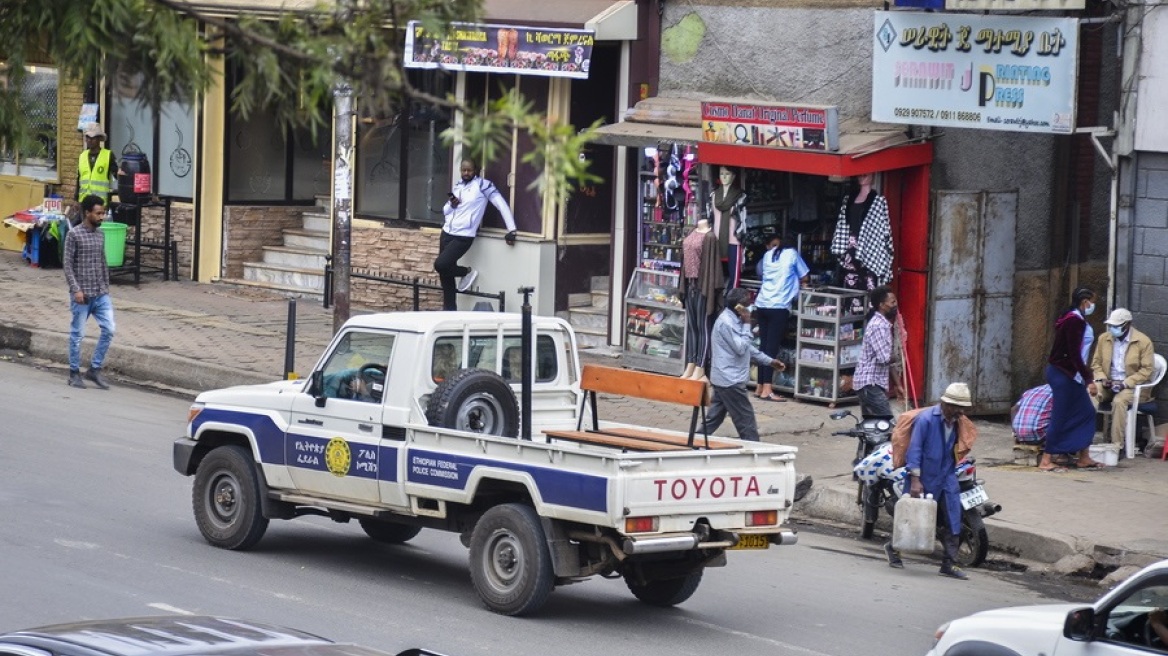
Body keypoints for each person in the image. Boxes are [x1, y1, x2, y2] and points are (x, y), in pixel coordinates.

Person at [892, 382, 974, 580]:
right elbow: (915, 450)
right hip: (924, 475)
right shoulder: (926, 420)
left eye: (961, 407)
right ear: (944, 403)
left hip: (946, 474)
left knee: (954, 516)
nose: (959, 411)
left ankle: (949, 563)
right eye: (955, 406)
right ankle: (894, 548)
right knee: (910, 516)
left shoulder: (957, 422)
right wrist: (915, 480)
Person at [699, 287, 785, 441]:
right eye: (748, 303)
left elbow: (747, 348)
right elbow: (741, 348)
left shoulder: (733, 320)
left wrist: (769, 361)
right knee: (746, 419)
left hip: (724, 378)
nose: (751, 306)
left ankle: (696, 440)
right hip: (730, 380)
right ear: (739, 306)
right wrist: (747, 324)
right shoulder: (727, 323)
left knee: (714, 418)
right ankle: (754, 449)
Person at [434, 159, 517, 311]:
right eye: (463, 170)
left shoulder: (483, 185)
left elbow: (501, 204)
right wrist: (452, 205)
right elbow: (445, 210)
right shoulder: (458, 185)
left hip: (464, 235)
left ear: (476, 170)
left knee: (440, 264)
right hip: (447, 232)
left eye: (469, 170)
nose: (466, 173)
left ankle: (466, 272)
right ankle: (449, 311)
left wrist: (511, 229)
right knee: (445, 275)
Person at [1041, 287, 1107, 471]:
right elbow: (1074, 354)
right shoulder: (1074, 322)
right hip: (1065, 374)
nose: (1093, 305)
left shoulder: (1072, 318)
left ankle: (1083, 456)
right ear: (1085, 301)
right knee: (1060, 415)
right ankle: (1046, 459)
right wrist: (1089, 379)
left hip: (1069, 374)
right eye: (1092, 301)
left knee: (1085, 412)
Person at [64, 195, 116, 389]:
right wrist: (76, 289)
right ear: (87, 213)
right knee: (77, 335)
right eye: (98, 213)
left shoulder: (100, 235)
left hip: (100, 293)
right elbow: (68, 265)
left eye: (103, 213)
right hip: (82, 295)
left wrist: (106, 287)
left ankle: (94, 369)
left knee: (109, 329)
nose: (102, 217)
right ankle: (74, 373)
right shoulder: (74, 235)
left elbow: (102, 262)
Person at [1090, 307, 1155, 449]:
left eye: (1116, 326)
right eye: (1111, 326)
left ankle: (1116, 445)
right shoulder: (1104, 339)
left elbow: (1147, 370)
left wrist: (1125, 383)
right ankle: (1084, 442)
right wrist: (1102, 379)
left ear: (1127, 324)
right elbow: (1096, 364)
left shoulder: (1143, 341)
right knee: (1091, 393)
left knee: (1119, 401)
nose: (1113, 329)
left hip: (1131, 385)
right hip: (1108, 382)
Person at [753, 231, 808, 400]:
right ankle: (768, 389)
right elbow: (805, 276)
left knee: (763, 346)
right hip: (778, 306)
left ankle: (759, 386)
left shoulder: (768, 255)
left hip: (762, 304)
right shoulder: (792, 254)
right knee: (771, 348)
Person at [830, 173, 893, 316]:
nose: (862, 177)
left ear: (873, 176)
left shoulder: (878, 201)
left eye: (866, 174)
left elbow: (882, 230)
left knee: (870, 290)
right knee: (851, 289)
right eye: (860, 175)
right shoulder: (848, 200)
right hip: (850, 250)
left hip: (869, 250)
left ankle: (869, 319)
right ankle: (852, 321)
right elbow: (842, 224)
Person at [679, 217, 723, 381]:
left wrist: (708, 288)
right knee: (692, 327)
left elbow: (712, 267)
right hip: (690, 285)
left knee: (703, 327)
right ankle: (691, 362)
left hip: (703, 287)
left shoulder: (710, 237)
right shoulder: (692, 233)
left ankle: (701, 366)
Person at [853, 286, 898, 419]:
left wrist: (898, 385)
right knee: (887, 423)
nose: (895, 305)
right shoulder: (878, 326)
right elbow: (885, 358)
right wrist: (898, 357)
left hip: (873, 383)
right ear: (882, 305)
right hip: (869, 383)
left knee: (872, 426)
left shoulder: (884, 324)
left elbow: (887, 360)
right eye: (892, 302)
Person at [710, 166, 747, 289]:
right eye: (721, 174)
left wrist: (742, 237)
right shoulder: (714, 195)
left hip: (733, 239)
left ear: (734, 176)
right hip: (716, 239)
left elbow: (743, 219)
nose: (724, 177)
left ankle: (732, 301)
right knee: (714, 274)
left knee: (734, 276)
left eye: (727, 173)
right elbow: (711, 218)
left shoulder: (740, 196)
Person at [77, 122, 118, 204]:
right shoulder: (82, 156)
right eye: (88, 137)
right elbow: (78, 179)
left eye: (93, 137)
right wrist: (75, 199)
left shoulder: (108, 155)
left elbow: (116, 175)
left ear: (99, 139)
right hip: (84, 201)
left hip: (100, 202)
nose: (90, 140)